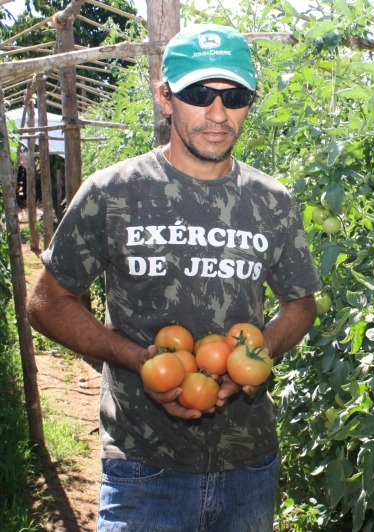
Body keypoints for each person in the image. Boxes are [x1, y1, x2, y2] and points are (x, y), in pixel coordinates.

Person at [27, 24, 321, 531]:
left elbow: (301, 302)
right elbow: (48, 300)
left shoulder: (271, 202)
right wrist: (136, 358)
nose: (217, 112)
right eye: (198, 93)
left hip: (248, 463)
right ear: (165, 98)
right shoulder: (114, 192)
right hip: (144, 468)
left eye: (235, 96)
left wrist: (257, 356)